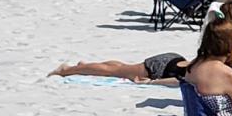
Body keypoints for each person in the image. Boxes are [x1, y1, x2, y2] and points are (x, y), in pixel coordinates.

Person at [48, 52, 189, 83]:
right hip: (161, 68)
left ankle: (85, 67)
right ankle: (67, 70)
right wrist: (152, 82)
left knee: (122, 68)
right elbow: (178, 80)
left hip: (174, 61)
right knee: (113, 71)